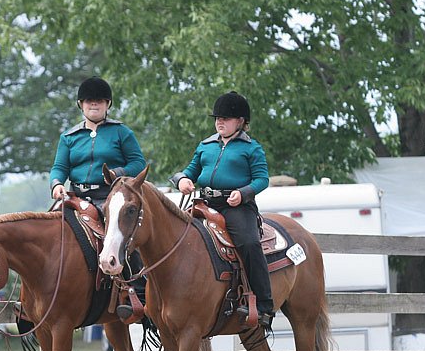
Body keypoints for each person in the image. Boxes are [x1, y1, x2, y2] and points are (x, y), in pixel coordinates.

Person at [170, 91, 273, 327]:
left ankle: (265, 305)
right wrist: (182, 180)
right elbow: (189, 171)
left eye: (225, 118)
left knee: (249, 243)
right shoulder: (205, 146)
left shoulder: (251, 148)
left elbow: (262, 179)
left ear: (240, 122)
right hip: (204, 204)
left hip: (236, 207)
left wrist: (244, 193)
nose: (219, 122)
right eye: (217, 118)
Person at [49, 76, 147, 320]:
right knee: (48, 230)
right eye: (89, 101)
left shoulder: (121, 132)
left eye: (100, 101)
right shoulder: (69, 138)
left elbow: (138, 163)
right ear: (81, 105)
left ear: (107, 104)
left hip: (110, 196)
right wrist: (57, 183)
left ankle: (139, 290)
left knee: (121, 233)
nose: (94, 105)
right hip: (77, 196)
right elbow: (59, 166)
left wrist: (118, 174)